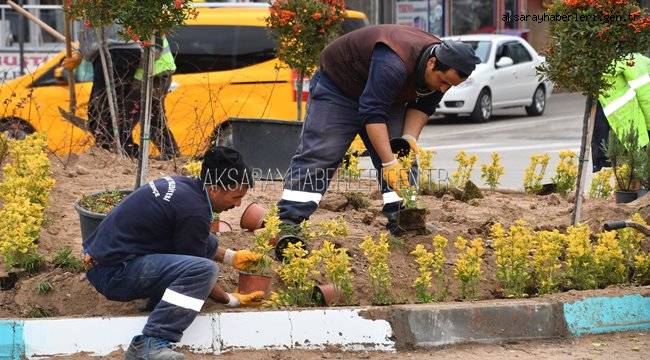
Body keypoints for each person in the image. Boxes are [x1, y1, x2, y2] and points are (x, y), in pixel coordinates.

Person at [276, 24, 480, 235]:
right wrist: (389, 162)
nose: (444, 89)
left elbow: (423, 107)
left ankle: (403, 219)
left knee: (403, 156)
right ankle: (289, 222)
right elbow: (371, 113)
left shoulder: (441, 73)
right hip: (339, 88)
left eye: (450, 86)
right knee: (321, 153)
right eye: (444, 81)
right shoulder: (393, 61)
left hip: (385, 97)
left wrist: (407, 140)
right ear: (432, 63)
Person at [83, 146, 264, 360]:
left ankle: (158, 306)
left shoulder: (187, 188)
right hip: (114, 273)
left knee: (198, 244)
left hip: (105, 262)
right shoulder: (194, 211)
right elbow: (198, 271)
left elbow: (192, 240)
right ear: (214, 188)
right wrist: (230, 299)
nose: (238, 204)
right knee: (203, 271)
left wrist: (231, 257)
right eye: (235, 197)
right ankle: (151, 343)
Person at [62, 23, 141, 157]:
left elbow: (110, 31)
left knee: (103, 105)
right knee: (104, 105)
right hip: (109, 51)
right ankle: (117, 147)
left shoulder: (97, 5)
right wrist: (80, 53)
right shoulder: (88, 8)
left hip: (117, 50)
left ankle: (113, 148)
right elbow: (97, 34)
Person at [591, 53, 650, 173]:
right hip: (624, 120)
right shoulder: (634, 59)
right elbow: (646, 97)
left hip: (617, 119)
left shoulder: (604, 59)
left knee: (624, 169)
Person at [129, 34, 180, 160]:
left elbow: (154, 53)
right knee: (148, 115)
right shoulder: (135, 24)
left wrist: (130, 62)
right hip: (149, 76)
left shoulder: (148, 22)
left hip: (157, 74)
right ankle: (170, 153)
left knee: (151, 115)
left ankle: (171, 153)